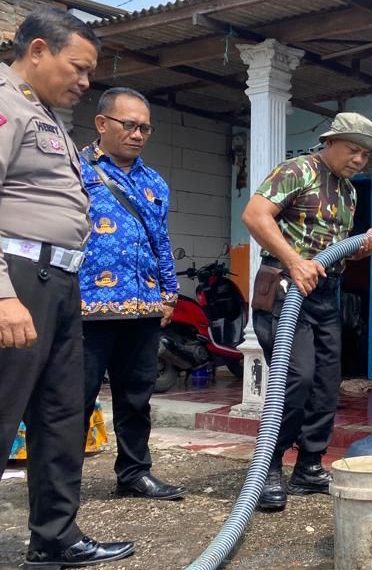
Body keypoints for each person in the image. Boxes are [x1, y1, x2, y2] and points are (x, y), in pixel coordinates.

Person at [0, 8, 135, 567]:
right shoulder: (6, 104)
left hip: (59, 279)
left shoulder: (46, 115)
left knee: (60, 415)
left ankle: (55, 535)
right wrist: (3, 294)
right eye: (77, 68)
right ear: (36, 50)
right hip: (18, 277)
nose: (84, 82)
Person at [242, 112, 372, 511]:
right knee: (296, 378)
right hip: (284, 289)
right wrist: (295, 260)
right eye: (353, 150)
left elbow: (330, 247)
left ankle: (309, 465)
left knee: (325, 381)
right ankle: (268, 466)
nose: (358, 160)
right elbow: (254, 215)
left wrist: (359, 245)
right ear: (331, 141)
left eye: (365, 155)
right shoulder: (297, 170)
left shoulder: (349, 192)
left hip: (324, 294)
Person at [78, 87, 185, 501]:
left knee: (137, 397)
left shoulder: (153, 181)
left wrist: (170, 292)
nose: (138, 134)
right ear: (102, 123)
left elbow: (160, 239)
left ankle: (134, 473)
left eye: (145, 128)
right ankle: (59, 488)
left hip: (143, 308)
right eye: (129, 125)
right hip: (87, 309)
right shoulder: (77, 170)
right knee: (77, 400)